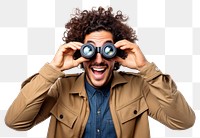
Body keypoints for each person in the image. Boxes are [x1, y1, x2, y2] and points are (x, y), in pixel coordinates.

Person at [5, 6, 195, 138]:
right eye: (90, 50)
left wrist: (146, 68)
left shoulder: (139, 87)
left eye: (107, 50)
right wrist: (53, 70)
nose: (98, 59)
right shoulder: (60, 87)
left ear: (117, 53)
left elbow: (183, 121)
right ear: (80, 52)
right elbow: (15, 121)